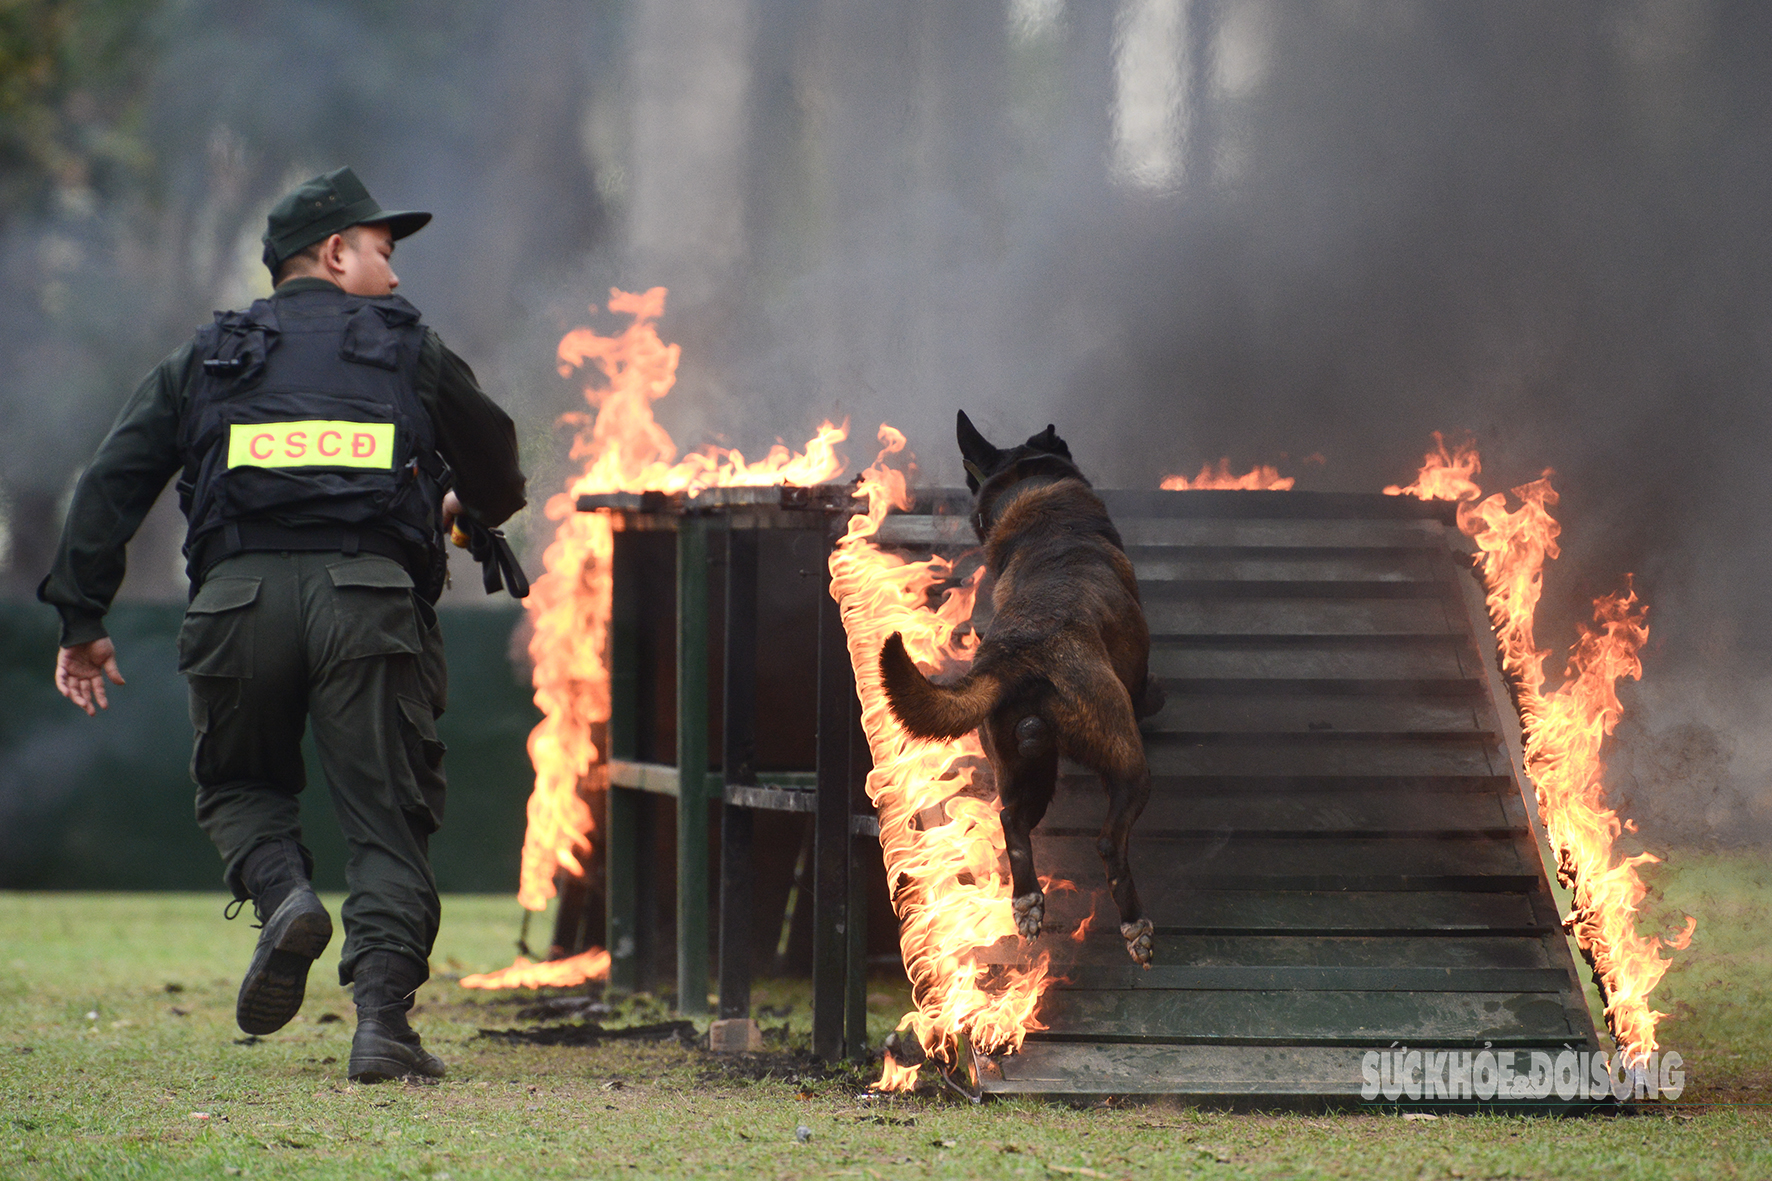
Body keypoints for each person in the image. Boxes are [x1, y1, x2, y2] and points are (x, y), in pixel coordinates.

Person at [39, 166, 527, 1082]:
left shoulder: (207, 355)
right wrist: (473, 502)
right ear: (336, 253)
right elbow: (496, 455)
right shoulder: (409, 345)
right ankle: (381, 1023)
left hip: (236, 601)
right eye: (384, 252)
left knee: (237, 784)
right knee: (388, 820)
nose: (393, 272)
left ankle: (285, 893)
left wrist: (81, 614)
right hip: (369, 605)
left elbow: (112, 480)